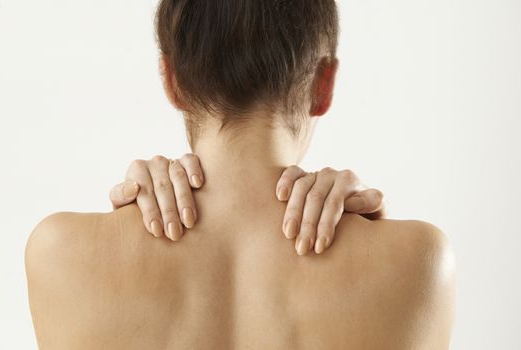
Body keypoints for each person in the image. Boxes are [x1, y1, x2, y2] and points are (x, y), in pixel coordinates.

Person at [25, 0, 455, 349]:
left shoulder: (57, 251)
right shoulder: (422, 260)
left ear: (172, 80)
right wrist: (381, 245)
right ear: (323, 86)